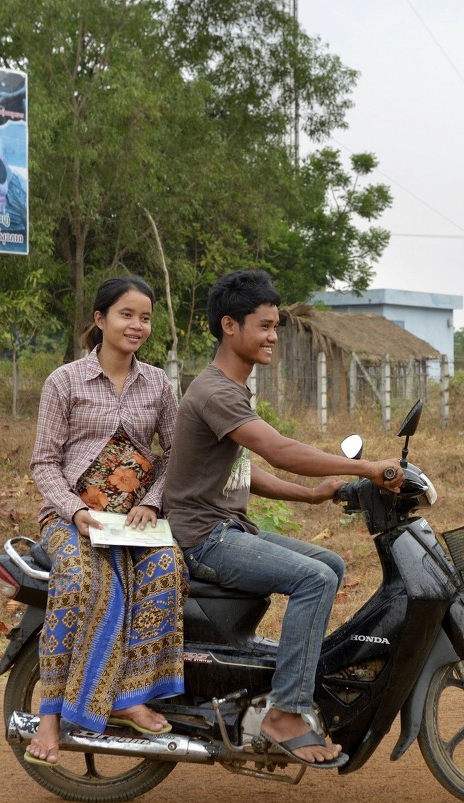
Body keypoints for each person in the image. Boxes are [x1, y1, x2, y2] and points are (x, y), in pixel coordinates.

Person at [163, 269, 402, 770]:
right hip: (203, 537)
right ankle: (286, 712)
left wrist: (312, 496)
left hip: (226, 526)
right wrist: (365, 467)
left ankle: (296, 685)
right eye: (264, 326)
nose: (273, 336)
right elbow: (279, 450)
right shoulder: (217, 393)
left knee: (330, 565)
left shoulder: (228, 389)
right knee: (314, 579)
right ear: (230, 325)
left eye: (276, 326)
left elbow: (245, 472)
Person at [24, 276, 186, 767]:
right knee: (78, 582)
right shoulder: (65, 381)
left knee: (168, 568)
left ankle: (130, 695)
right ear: (100, 319)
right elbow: (43, 462)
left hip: (136, 521)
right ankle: (50, 714)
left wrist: (153, 503)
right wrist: (76, 512)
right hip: (72, 518)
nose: (137, 325)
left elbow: (176, 454)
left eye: (145, 317)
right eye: (126, 315)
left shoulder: (157, 382)